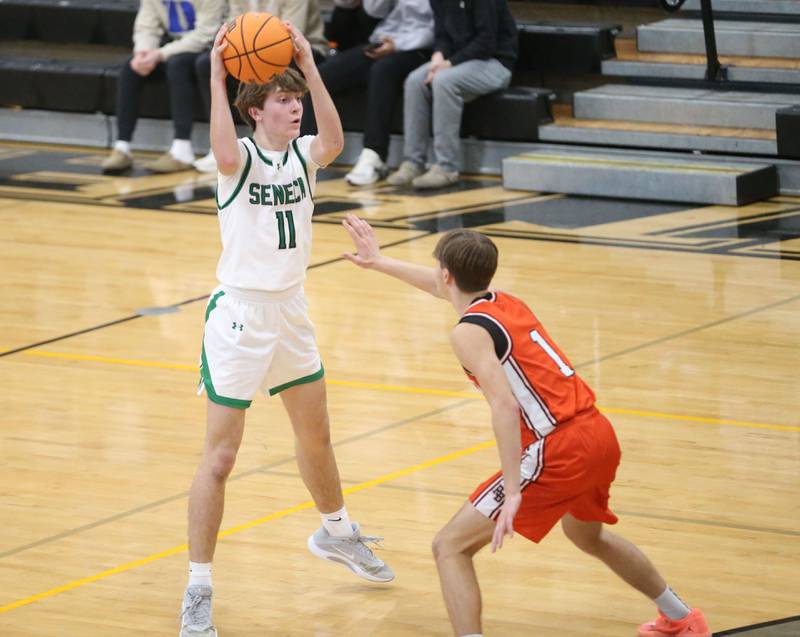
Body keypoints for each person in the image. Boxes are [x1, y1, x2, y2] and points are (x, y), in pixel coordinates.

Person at [341, 213, 712, 637]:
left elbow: (504, 407)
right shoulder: (505, 301)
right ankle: (683, 617)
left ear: (447, 274)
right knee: (589, 537)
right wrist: (379, 262)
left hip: (559, 447)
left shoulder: (466, 333)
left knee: (449, 547)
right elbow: (439, 286)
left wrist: (514, 491)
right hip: (598, 432)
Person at [180, 25, 393, 637]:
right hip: (241, 318)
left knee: (316, 437)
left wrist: (307, 63)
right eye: (282, 100)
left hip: (291, 312)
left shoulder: (303, 155)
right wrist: (218, 77)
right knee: (220, 458)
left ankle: (336, 533)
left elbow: (334, 138)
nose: (294, 107)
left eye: (295, 99)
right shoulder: (240, 159)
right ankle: (198, 588)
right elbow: (222, 153)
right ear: (256, 111)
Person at [387, 0, 517, 190]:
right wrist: (438, 55)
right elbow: (442, 34)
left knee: (444, 81)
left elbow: (486, 42)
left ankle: (447, 167)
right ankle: (413, 162)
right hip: (458, 61)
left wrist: (449, 64)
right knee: (414, 81)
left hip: (495, 63)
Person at [301, 0, 434, 186]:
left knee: (382, 71)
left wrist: (398, 44)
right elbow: (374, 11)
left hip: (421, 47)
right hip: (383, 40)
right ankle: (305, 152)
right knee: (321, 76)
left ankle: (375, 154)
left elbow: (441, 28)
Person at [193, 0, 330, 173]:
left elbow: (288, 34)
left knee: (285, 68)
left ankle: (294, 146)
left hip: (296, 49)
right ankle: (224, 146)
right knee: (207, 64)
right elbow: (234, 27)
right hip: (254, 50)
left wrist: (252, 49)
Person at [101, 0, 226, 175]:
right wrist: (143, 52)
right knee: (130, 69)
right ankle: (122, 147)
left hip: (208, 48)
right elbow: (147, 26)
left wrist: (160, 54)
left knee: (178, 65)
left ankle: (182, 149)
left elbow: (205, 34)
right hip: (174, 49)